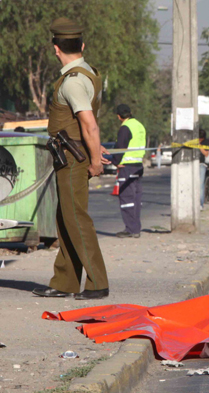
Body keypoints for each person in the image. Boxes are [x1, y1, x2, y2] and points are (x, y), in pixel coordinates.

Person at [33, 18, 111, 300]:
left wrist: (94, 159)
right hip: (72, 152)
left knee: (76, 217)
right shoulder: (88, 72)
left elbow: (89, 124)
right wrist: (95, 149)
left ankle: (97, 282)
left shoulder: (73, 82)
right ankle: (65, 281)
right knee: (65, 217)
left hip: (73, 155)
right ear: (82, 45)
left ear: (56, 49)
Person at [111, 104, 146, 239]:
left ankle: (130, 229)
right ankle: (135, 228)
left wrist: (115, 162)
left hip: (127, 166)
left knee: (127, 198)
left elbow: (121, 146)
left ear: (119, 116)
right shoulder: (139, 125)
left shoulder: (125, 128)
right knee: (136, 198)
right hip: (138, 164)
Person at [198, 129, 209, 208]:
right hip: (192, 164)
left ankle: (200, 204)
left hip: (201, 164)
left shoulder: (206, 142)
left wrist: (199, 146)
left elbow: (206, 154)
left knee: (200, 185)